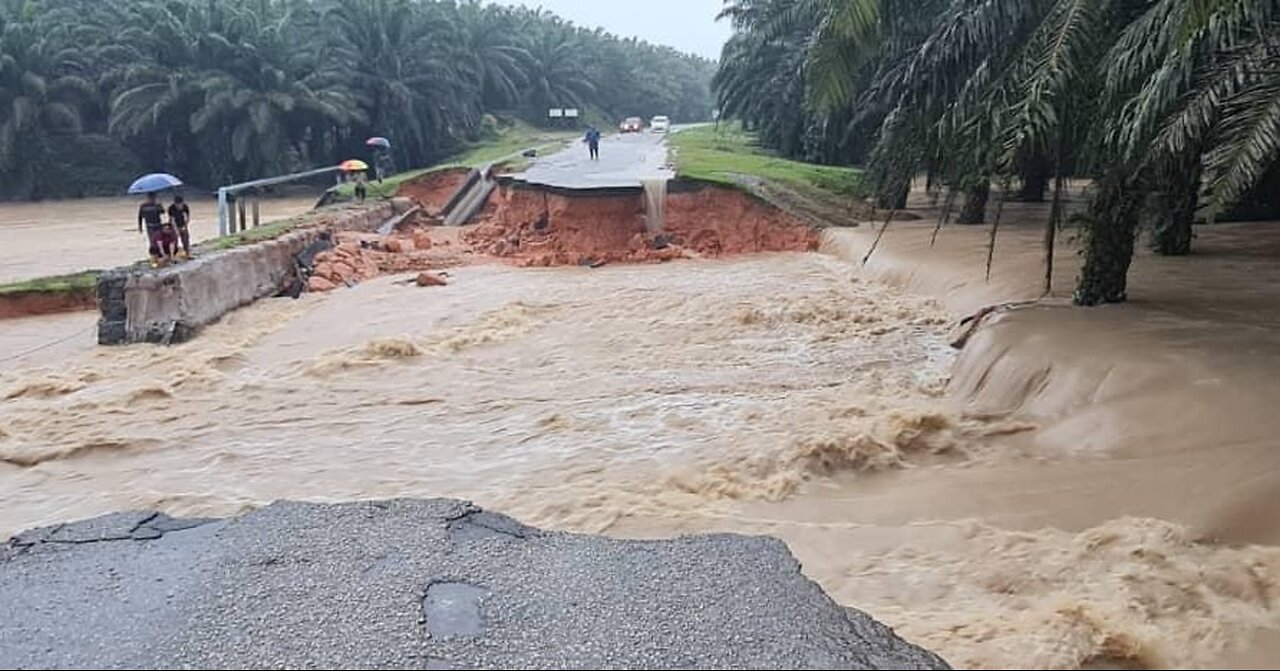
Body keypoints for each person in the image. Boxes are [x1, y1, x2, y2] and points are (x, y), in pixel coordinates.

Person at [137, 192, 167, 268]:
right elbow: (140, 217)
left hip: (158, 226)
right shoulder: (143, 206)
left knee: (159, 241)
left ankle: (160, 257)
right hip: (149, 226)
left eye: (153, 198)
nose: (152, 199)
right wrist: (140, 227)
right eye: (151, 198)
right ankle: (153, 258)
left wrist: (160, 205)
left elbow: (163, 212)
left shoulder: (157, 205)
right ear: (148, 198)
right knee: (152, 242)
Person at [168, 195, 192, 259]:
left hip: (183, 224)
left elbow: (187, 218)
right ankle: (173, 256)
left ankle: (187, 253)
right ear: (175, 203)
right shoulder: (171, 208)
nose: (179, 206)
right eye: (177, 205)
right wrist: (176, 230)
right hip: (174, 225)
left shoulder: (185, 207)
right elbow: (172, 220)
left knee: (186, 239)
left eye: (180, 204)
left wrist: (185, 226)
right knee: (174, 241)